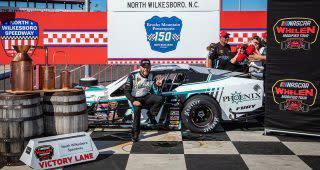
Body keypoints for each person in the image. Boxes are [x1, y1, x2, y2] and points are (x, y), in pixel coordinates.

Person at [124, 59, 164, 142]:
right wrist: (133, 100)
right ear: (140, 67)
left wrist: (158, 85)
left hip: (145, 97)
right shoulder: (132, 76)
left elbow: (155, 90)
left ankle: (151, 114)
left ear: (150, 67)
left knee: (160, 99)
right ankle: (135, 134)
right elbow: (126, 91)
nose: (146, 69)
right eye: (144, 67)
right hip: (135, 98)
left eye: (148, 67)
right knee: (137, 111)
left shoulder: (151, 75)